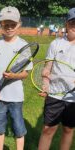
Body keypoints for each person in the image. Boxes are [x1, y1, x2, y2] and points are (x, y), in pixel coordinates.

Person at [0, 6, 32, 150]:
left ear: (19, 24)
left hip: (16, 97)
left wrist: (14, 76)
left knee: (18, 129)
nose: (9, 28)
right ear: (0, 24)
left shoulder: (24, 45)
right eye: (6, 24)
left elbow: (26, 73)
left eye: (13, 24)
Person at [38, 8, 75, 150]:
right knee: (48, 129)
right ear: (66, 24)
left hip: (73, 97)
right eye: (73, 23)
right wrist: (45, 83)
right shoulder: (56, 44)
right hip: (54, 93)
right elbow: (47, 69)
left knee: (68, 129)